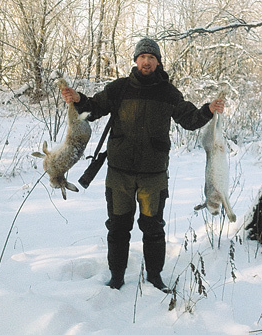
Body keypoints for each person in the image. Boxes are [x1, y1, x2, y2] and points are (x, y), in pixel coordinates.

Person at [61, 38, 224, 292]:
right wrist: (78, 97)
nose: (146, 61)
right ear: (136, 61)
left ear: (158, 62)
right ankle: (116, 277)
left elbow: (189, 119)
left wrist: (208, 110)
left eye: (152, 57)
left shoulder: (168, 92)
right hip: (119, 173)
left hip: (153, 175)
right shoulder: (119, 89)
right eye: (142, 57)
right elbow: (92, 109)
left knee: (153, 228)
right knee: (117, 227)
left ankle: (155, 277)